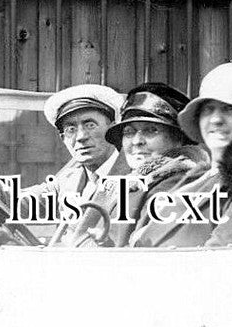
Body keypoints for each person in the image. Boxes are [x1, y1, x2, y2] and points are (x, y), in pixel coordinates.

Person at [129, 63, 232, 248]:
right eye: (208, 109)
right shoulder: (190, 178)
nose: (216, 119)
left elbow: (218, 263)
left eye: (229, 109)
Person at [69, 83, 209, 247]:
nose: (136, 141)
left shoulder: (177, 183)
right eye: (129, 132)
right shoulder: (134, 181)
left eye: (151, 130)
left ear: (178, 138)